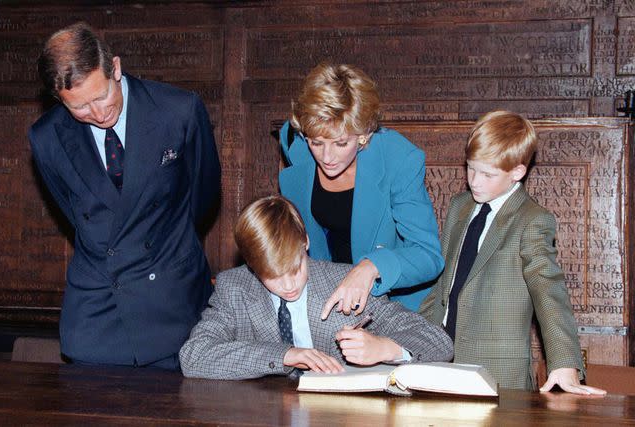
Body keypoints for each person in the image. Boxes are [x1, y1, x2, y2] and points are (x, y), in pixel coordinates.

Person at [28, 22, 220, 370]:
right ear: (60, 100)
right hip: (97, 311)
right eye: (80, 108)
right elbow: (75, 211)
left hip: (170, 301)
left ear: (115, 67)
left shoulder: (178, 111)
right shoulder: (46, 137)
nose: (99, 114)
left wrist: (164, 242)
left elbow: (203, 194)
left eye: (101, 96)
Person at [420, 111, 605, 395]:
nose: (475, 182)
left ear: (517, 172)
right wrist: (415, 337)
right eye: (470, 168)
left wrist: (565, 361)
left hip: (498, 372)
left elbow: (548, 288)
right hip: (438, 359)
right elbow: (442, 283)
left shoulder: (532, 219)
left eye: (488, 174)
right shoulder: (460, 206)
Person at [179, 195, 452, 380]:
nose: (288, 285)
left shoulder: (345, 284)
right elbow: (193, 356)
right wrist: (285, 355)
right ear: (251, 266)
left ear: (306, 242)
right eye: (272, 276)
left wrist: (385, 348)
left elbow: (440, 342)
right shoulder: (234, 288)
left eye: (295, 268)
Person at [279, 63, 443, 319]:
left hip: (395, 305)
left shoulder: (398, 159)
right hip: (327, 299)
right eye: (316, 142)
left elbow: (428, 255)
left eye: (341, 143)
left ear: (364, 134)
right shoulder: (297, 146)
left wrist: (372, 267)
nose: (327, 156)